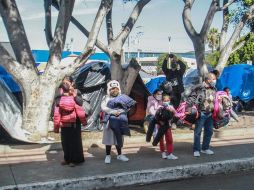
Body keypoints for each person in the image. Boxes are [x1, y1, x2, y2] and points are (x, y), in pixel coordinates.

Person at [53, 80, 87, 167]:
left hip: (75, 121)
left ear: (72, 83)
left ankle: (75, 160)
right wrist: (65, 95)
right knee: (65, 142)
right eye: (64, 83)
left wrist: (74, 95)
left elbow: (80, 102)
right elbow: (57, 102)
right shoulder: (59, 92)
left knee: (75, 142)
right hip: (64, 121)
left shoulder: (76, 91)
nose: (65, 84)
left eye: (67, 83)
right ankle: (67, 158)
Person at [101, 80, 135, 164]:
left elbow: (128, 107)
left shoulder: (123, 97)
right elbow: (103, 107)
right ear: (109, 89)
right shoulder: (106, 98)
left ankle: (120, 155)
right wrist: (113, 112)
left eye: (116, 88)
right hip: (109, 121)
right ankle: (108, 155)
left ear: (118, 89)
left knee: (118, 138)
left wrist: (121, 111)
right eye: (112, 88)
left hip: (120, 120)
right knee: (108, 139)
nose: (114, 90)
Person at [186, 73, 217, 157]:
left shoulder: (213, 88)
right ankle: (196, 149)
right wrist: (188, 108)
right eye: (213, 79)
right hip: (201, 113)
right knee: (198, 132)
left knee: (209, 131)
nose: (215, 80)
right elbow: (191, 98)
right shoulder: (199, 88)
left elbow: (214, 99)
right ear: (208, 80)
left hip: (210, 113)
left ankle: (205, 148)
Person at [158, 94, 178, 159]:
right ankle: (163, 152)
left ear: (169, 100)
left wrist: (173, 111)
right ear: (162, 101)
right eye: (165, 100)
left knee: (169, 139)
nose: (166, 102)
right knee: (161, 139)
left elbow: (176, 114)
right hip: (160, 125)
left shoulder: (171, 107)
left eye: (168, 100)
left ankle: (170, 153)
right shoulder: (160, 107)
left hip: (168, 125)